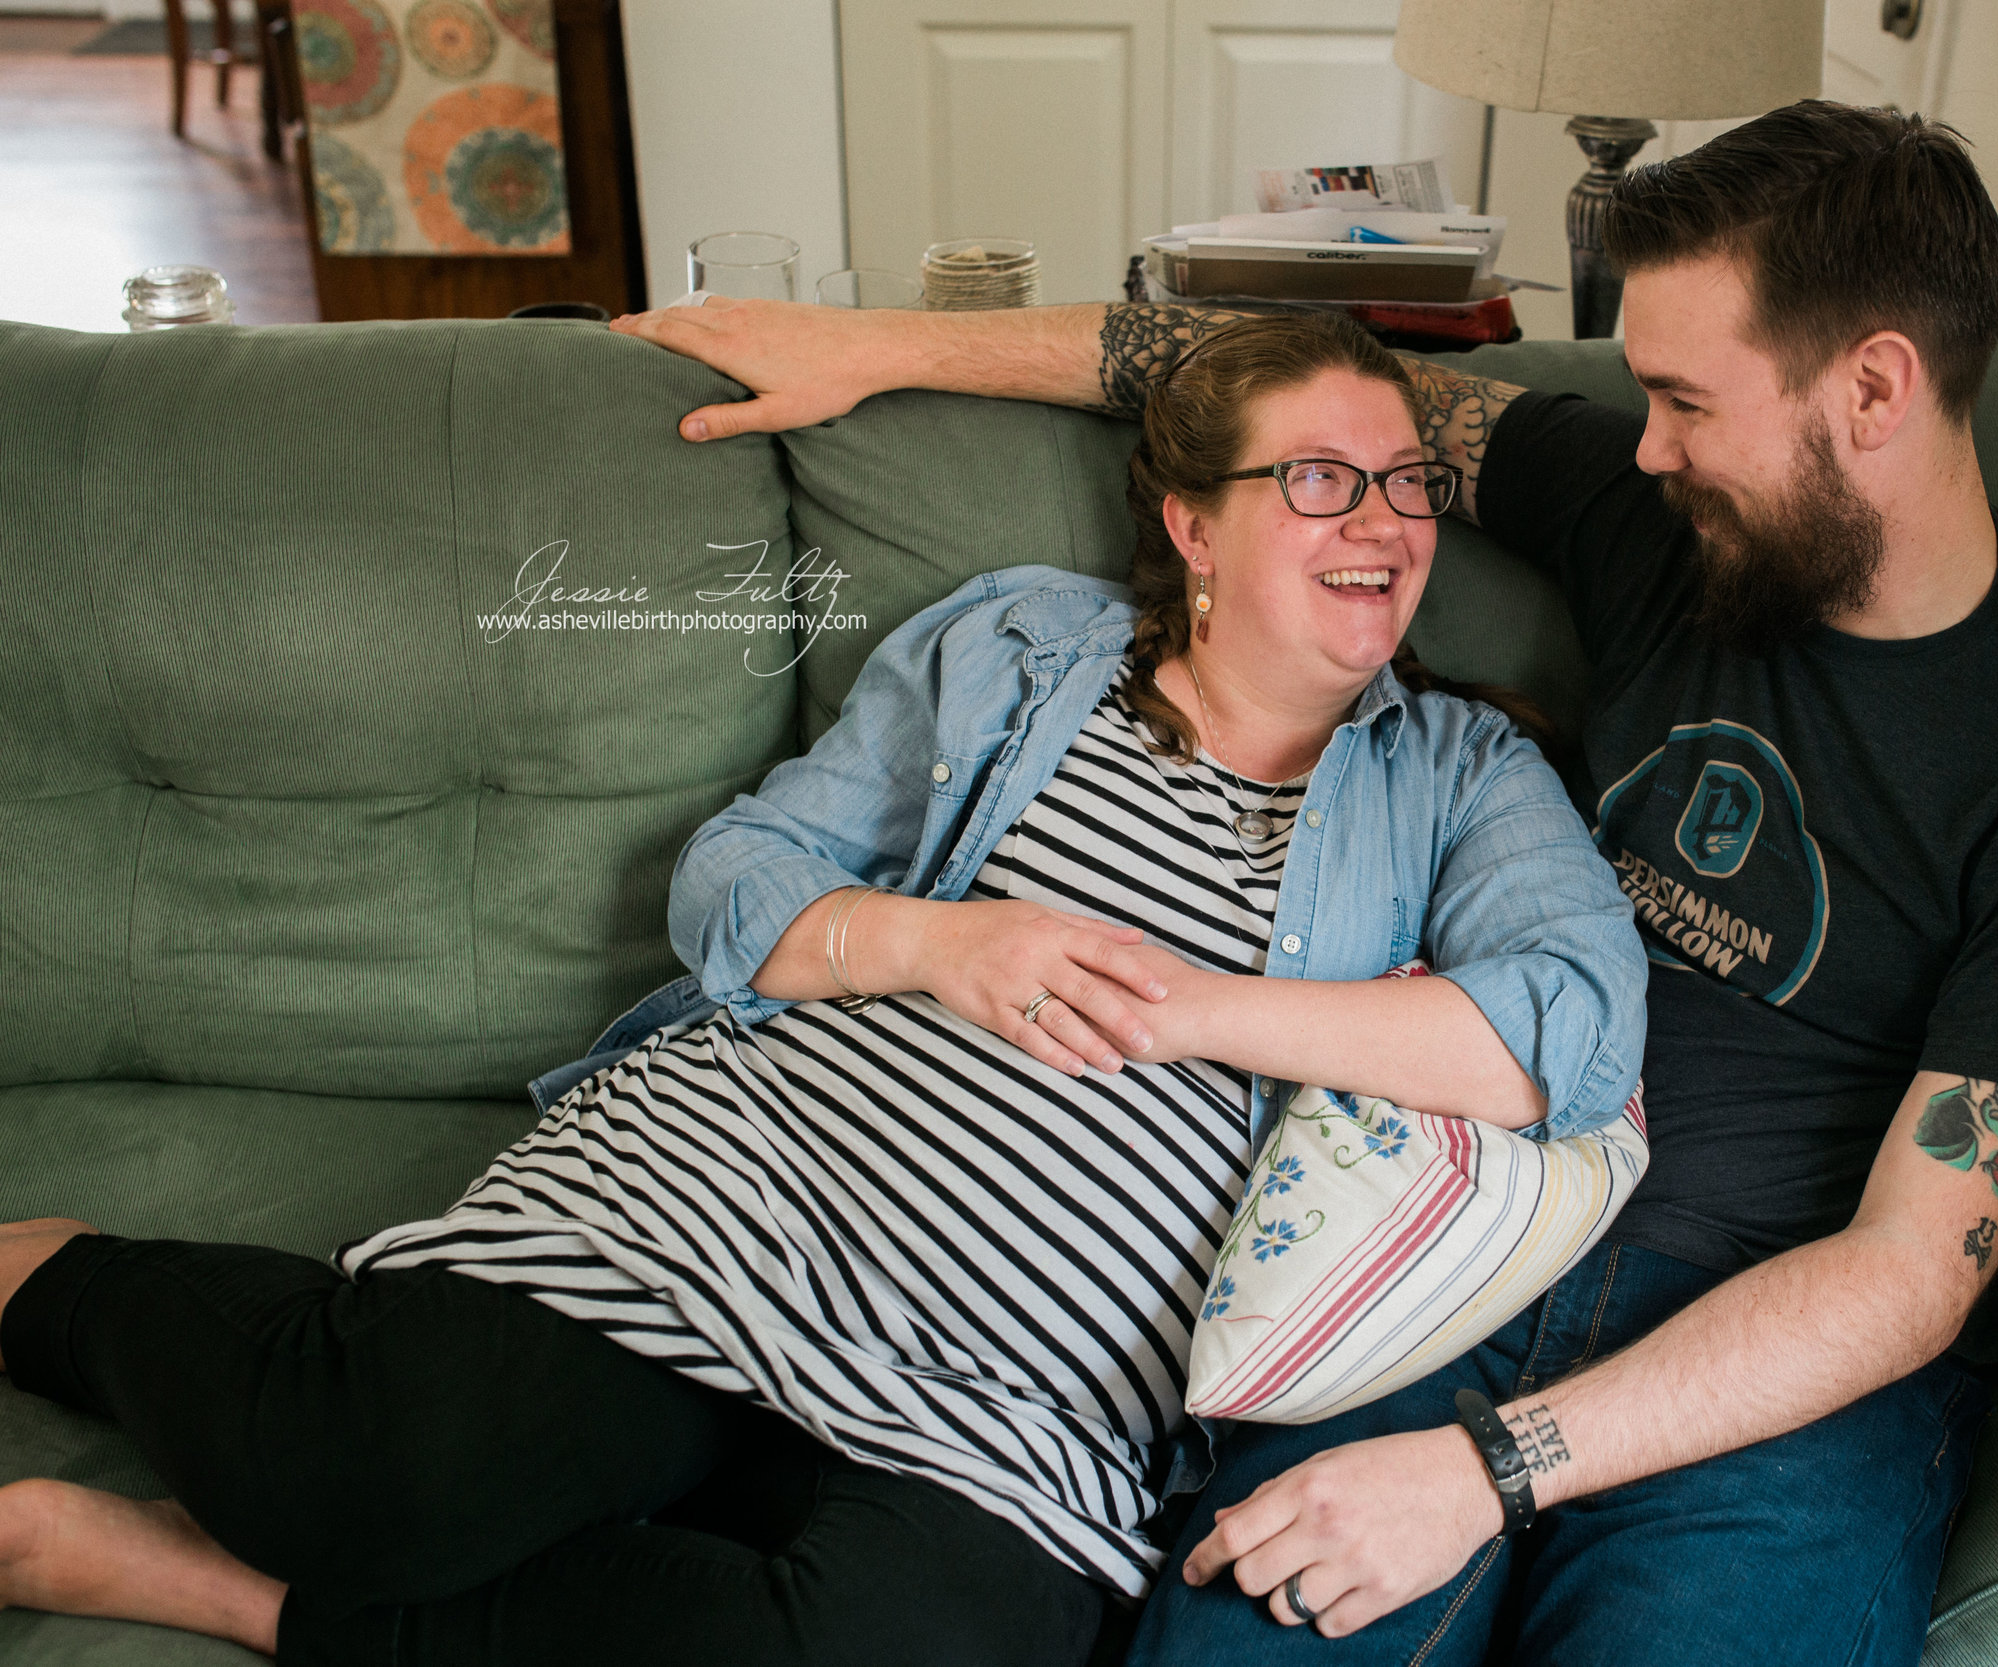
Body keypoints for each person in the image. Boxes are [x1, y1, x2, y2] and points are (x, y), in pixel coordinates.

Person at [584, 99, 1998, 1665]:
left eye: (1688, 403)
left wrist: (1487, 1472)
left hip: (1772, 1377)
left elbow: (1911, 1271)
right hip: (1439, 1246)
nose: (1643, 448)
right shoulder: (1658, 527)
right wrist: (882, 348)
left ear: (1871, 391)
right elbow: (1251, 389)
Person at [0, 313, 1648, 1665]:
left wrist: (1192, 1009)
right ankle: (48, 1274)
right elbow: (739, 881)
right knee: (377, 1469)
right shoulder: (1025, 648)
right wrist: (946, 945)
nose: (1385, 520)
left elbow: (1571, 1038)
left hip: (1037, 1365)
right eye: (1320, 479)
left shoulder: (1460, 771)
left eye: (1408, 482)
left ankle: (226, 1593)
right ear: (1191, 523)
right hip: (749, 1192)